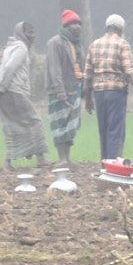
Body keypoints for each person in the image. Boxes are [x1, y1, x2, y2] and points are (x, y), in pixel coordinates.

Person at [87, 14, 133, 161]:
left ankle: (105, 167)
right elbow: (129, 71)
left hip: (99, 93)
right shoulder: (122, 44)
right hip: (116, 93)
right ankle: (114, 168)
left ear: (106, 28)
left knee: (103, 131)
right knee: (115, 131)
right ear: (121, 29)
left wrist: (88, 98)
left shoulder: (94, 44)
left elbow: (88, 74)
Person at [0, 22, 47, 172]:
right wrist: (1, 86)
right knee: (35, 122)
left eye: (33, 33)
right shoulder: (21, 47)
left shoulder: (9, 47)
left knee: (11, 126)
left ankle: (7, 162)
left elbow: (1, 67)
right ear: (22, 33)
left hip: (3, 91)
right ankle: (41, 159)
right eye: (30, 33)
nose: (33, 36)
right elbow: (9, 67)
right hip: (12, 90)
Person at [45, 10, 86, 166]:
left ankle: (67, 158)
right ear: (66, 26)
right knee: (60, 124)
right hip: (60, 90)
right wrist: (60, 91)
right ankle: (61, 158)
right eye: (73, 24)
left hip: (75, 86)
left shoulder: (77, 44)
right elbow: (54, 69)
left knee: (71, 126)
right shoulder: (55, 43)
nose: (77, 26)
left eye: (78, 24)